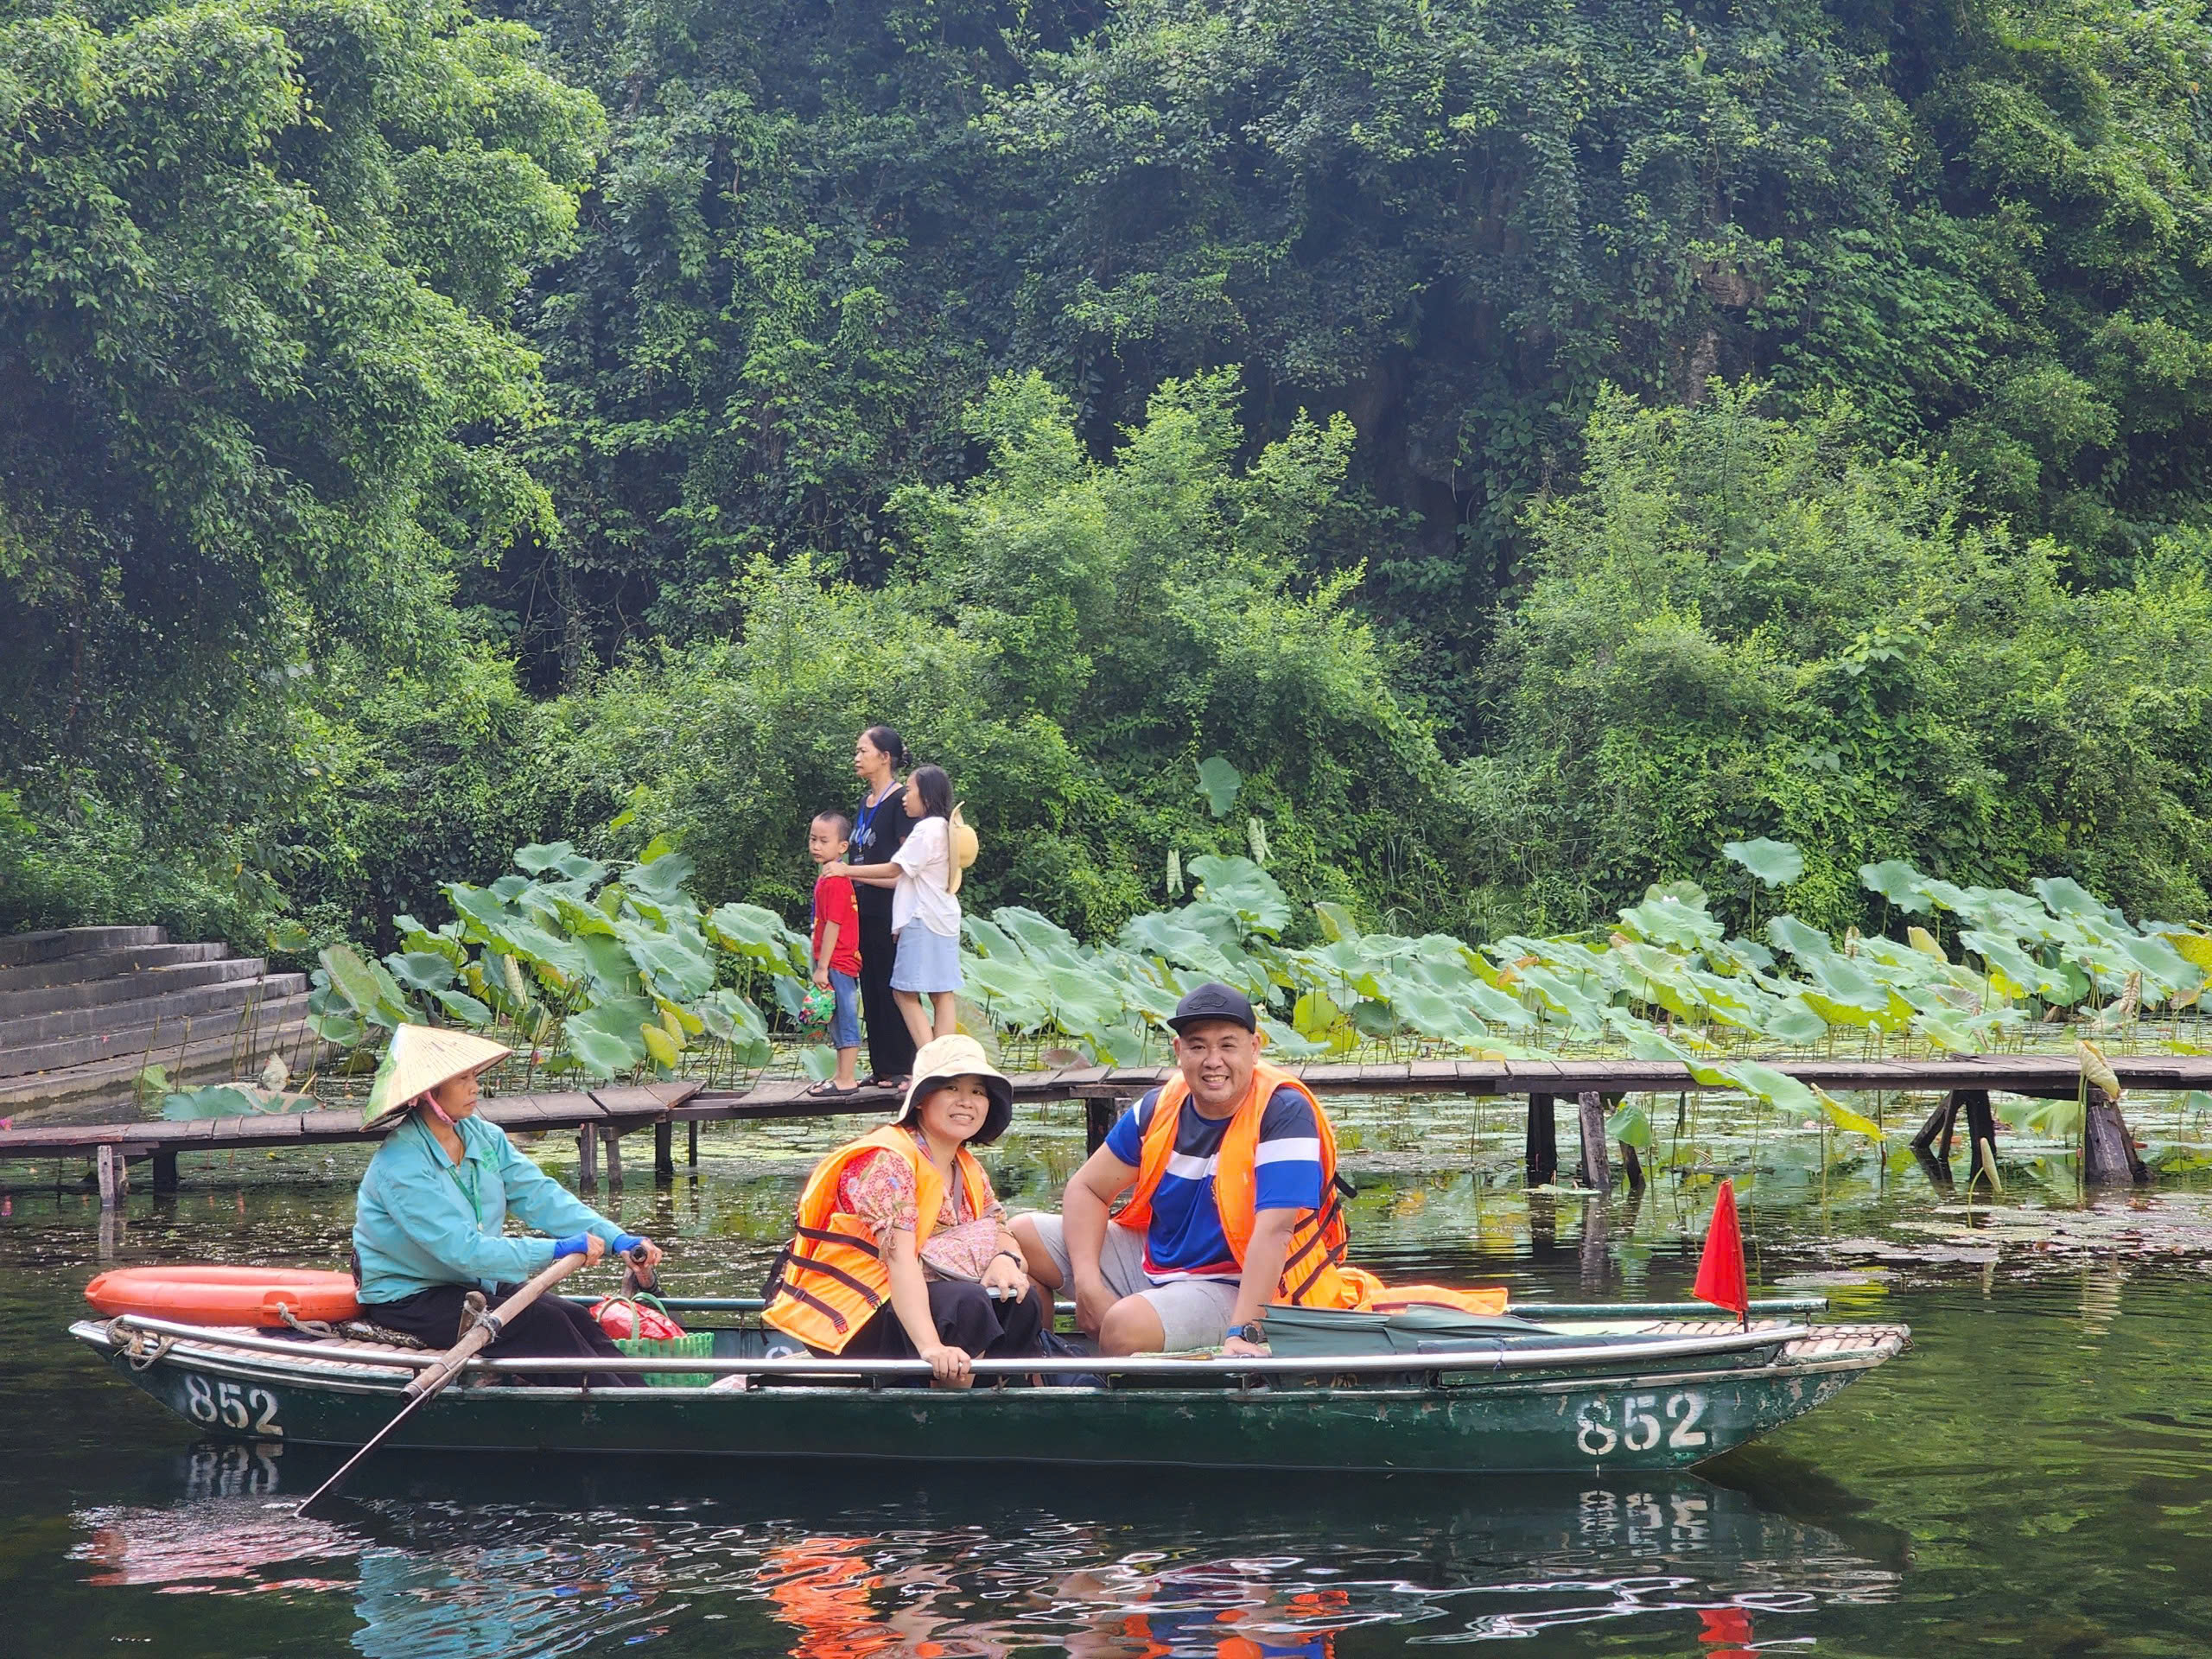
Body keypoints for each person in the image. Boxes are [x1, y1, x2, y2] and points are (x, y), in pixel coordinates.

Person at [1014, 982, 1357, 1357]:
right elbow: (1088, 1189)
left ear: (1254, 1048)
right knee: (1021, 1237)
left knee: (1124, 1328)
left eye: (1228, 1045)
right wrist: (1088, 1287)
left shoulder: (1284, 1112)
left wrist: (1244, 1331)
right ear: (1179, 1051)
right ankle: (1037, 1373)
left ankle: (1126, 1350)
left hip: (1241, 1285)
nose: (1213, 1061)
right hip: (1161, 1264)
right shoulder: (1158, 1107)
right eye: (1198, 1046)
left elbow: (1275, 1231)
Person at [351, 1024, 664, 1386]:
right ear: (428, 1092)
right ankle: (618, 1412)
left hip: (471, 1284)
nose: (475, 1087)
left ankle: (647, 1402)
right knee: (545, 1326)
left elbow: (541, 1196)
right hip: (411, 1299)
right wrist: (557, 1249)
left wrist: (615, 1239)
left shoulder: (482, 1136)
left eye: (474, 1076)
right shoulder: (400, 1163)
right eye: (462, 1079)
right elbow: (463, 1250)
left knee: (573, 1316)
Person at [761, 1033, 1046, 1385]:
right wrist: (931, 1348)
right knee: (967, 1302)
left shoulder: (966, 1165)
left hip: (918, 1301)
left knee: (1021, 1298)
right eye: (952, 1088)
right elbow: (900, 1262)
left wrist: (1006, 1260)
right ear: (923, 1099)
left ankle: (992, 1399)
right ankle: (952, 1403)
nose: (966, 1102)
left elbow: (998, 1226)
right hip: (857, 1315)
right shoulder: (888, 1161)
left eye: (977, 1091)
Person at [828, 762, 962, 1047]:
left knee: (903, 992)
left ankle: (929, 1056)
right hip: (945, 919)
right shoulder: (944, 828)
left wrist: (846, 870)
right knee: (941, 992)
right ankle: (945, 1057)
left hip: (922, 919)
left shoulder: (925, 829)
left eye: (910, 790)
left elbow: (894, 869)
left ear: (926, 796)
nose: (904, 797)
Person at [849, 724, 917, 1090]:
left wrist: (851, 873)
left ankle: (903, 1066)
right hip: (862, 908)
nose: (857, 758)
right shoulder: (866, 802)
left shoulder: (902, 802)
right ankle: (882, 1067)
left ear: (885, 757)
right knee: (870, 986)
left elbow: (905, 868)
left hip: (892, 910)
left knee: (894, 987)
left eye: (864, 751)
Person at [805, 809, 864, 1096]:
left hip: (838, 960)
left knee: (845, 1016)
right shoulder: (826, 877)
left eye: (824, 841)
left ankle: (847, 1078)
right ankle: (840, 1075)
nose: (816, 846)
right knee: (835, 1018)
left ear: (842, 846)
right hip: (832, 959)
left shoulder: (837, 881)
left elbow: (833, 925)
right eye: (813, 839)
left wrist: (822, 966)